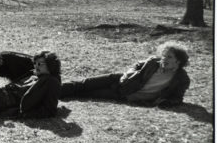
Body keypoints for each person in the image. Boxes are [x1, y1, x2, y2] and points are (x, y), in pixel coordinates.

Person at [60, 42, 190, 107]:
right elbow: (137, 65)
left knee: (87, 94)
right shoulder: (153, 62)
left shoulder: (182, 79)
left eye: (169, 57)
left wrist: (165, 102)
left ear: (178, 61)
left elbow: (178, 97)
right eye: (164, 56)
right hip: (121, 79)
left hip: (126, 94)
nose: (164, 59)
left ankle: (56, 94)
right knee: (85, 83)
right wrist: (129, 74)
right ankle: (55, 89)